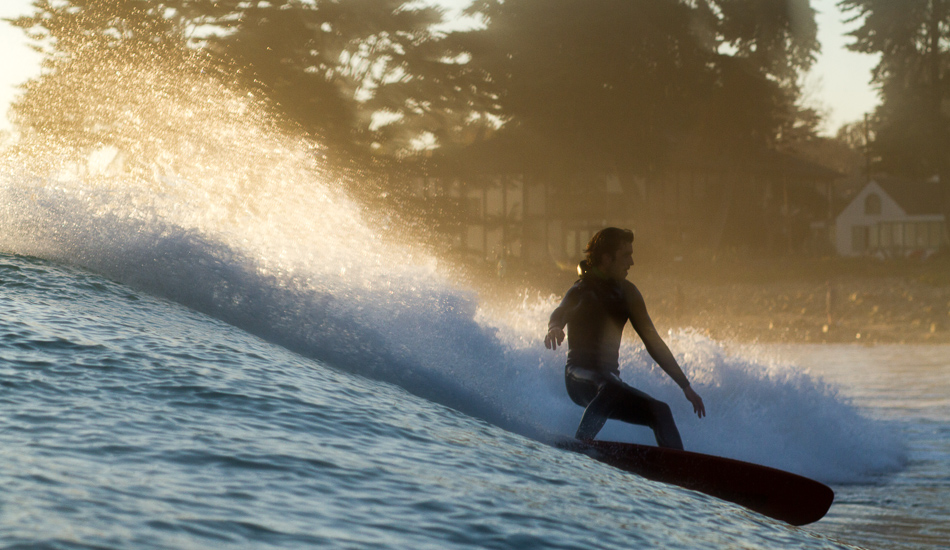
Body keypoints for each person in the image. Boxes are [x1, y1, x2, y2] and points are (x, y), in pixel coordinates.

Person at [544, 228, 705, 450]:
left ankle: (678, 467)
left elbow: (653, 341)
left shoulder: (628, 294)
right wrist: (554, 328)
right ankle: (579, 448)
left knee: (660, 411)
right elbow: (560, 312)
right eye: (626, 255)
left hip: (610, 382)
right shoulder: (582, 289)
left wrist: (685, 385)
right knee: (610, 388)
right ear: (606, 258)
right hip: (579, 377)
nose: (632, 262)